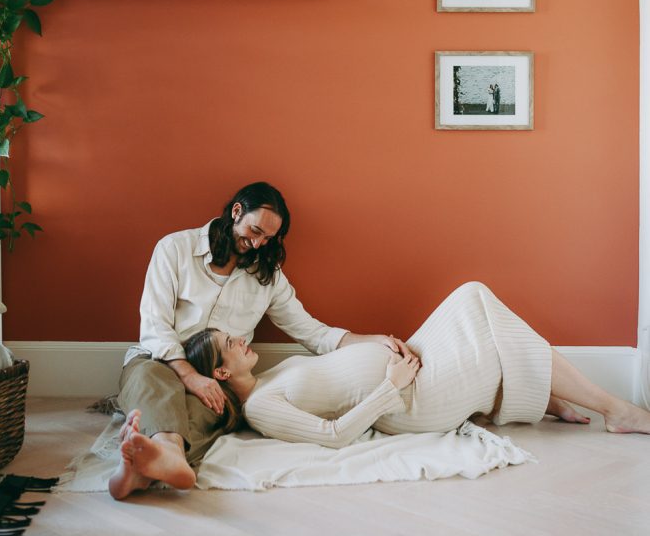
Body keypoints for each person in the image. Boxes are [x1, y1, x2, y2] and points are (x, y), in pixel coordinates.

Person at [109, 181, 414, 500]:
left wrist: (374, 339)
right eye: (255, 231)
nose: (257, 244)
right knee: (151, 378)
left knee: (209, 408)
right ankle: (167, 455)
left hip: (220, 377)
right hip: (161, 361)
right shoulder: (174, 249)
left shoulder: (268, 275)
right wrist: (189, 375)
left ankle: (147, 467)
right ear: (236, 212)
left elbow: (312, 332)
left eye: (267, 238)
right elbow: (155, 326)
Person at [182, 282, 650, 448]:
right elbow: (334, 436)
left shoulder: (267, 376)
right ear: (221, 373)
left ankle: (548, 394)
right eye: (229, 343)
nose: (240, 338)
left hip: (410, 370)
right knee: (491, 330)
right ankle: (613, 410)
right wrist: (392, 384)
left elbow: (336, 361)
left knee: (472, 294)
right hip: (413, 402)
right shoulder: (260, 407)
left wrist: (383, 347)